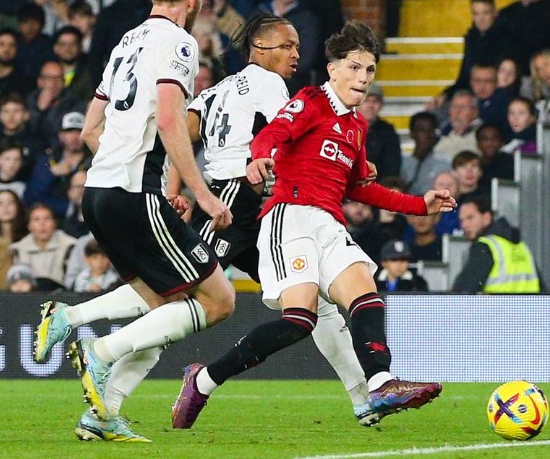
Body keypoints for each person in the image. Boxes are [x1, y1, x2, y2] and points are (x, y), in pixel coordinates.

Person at [170, 21, 454, 429]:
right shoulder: (310, 100)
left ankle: (381, 382)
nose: (363, 78)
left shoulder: (357, 127)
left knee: (366, 295)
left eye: (370, 70)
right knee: (299, 322)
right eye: (354, 68)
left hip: (330, 225)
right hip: (290, 219)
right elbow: (273, 131)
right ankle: (204, 379)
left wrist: (419, 205)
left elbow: (359, 187)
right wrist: (259, 156)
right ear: (333, 69)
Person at [32, 0, 236, 443]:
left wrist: (126, 168)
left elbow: (88, 130)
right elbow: (170, 121)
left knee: (161, 302)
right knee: (218, 300)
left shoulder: (127, 40)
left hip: (98, 191)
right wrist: (200, 193)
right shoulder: (180, 43)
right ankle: (98, 353)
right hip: (131, 193)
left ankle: (99, 406)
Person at [451, 197, 539, 294]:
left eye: (470, 218)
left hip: (496, 308)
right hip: (529, 308)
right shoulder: (521, 246)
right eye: (462, 221)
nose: (464, 225)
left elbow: (462, 290)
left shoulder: (484, 247)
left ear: (486, 218)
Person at [400, 111, 451, 195]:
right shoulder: (401, 162)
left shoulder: (445, 164)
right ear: (412, 133)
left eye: (431, 130)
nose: (427, 134)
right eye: (421, 130)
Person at [358, 84, 401, 180]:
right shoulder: (343, 126)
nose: (371, 105)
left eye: (375, 101)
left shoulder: (388, 132)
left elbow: (392, 169)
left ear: (381, 105)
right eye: (366, 101)